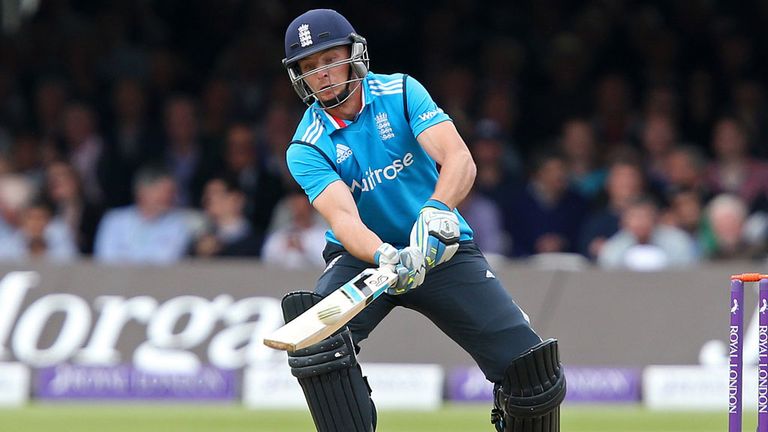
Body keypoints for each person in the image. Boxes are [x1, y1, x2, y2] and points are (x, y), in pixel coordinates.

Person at [277, 9, 565, 432]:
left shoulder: (401, 92)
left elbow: (459, 160)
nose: (321, 73)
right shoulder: (305, 145)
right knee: (317, 341)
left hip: (440, 247)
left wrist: (435, 211)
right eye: (309, 66)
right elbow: (343, 217)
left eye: (329, 58)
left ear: (353, 54)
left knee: (531, 372)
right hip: (367, 259)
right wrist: (383, 255)